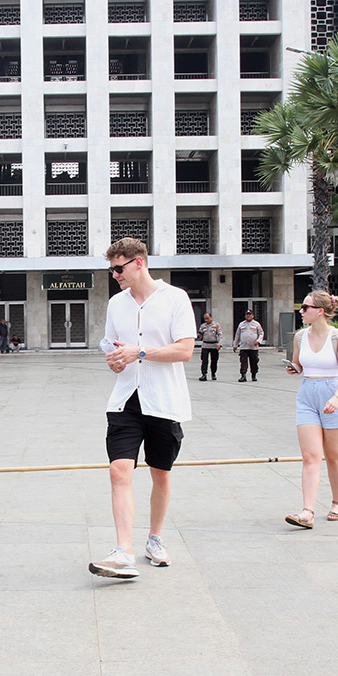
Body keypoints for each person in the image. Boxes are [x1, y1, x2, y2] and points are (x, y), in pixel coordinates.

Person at [90, 238, 195, 579]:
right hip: (124, 401)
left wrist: (141, 352)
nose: (115, 275)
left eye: (118, 269)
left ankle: (155, 538)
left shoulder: (175, 298)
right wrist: (117, 361)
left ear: (139, 263)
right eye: (111, 270)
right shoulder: (116, 304)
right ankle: (124, 552)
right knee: (119, 471)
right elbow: (115, 349)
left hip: (164, 400)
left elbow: (184, 351)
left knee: (160, 474)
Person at [283, 291, 338, 529]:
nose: (301, 311)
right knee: (310, 456)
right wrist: (294, 368)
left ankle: (336, 502)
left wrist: (337, 396)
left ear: (320, 311)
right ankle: (307, 511)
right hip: (307, 394)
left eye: (305, 307)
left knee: (333, 456)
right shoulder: (300, 337)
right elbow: (299, 364)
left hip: (332, 392)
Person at [233, 309, 264, 382]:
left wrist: (258, 341)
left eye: (250, 314)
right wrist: (235, 345)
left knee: (254, 361)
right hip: (244, 347)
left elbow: (261, 333)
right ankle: (243, 375)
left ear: (253, 316)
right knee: (243, 362)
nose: (248, 316)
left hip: (253, 347)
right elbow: (237, 335)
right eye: (247, 314)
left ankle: (254, 375)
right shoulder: (241, 324)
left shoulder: (256, 324)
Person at [197, 312, 223, 381]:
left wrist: (220, 344)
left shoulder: (216, 325)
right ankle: (204, 374)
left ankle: (213, 373)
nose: (206, 320)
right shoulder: (203, 326)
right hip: (205, 345)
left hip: (214, 345)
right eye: (205, 319)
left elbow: (220, 335)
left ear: (211, 318)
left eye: (207, 318)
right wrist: (199, 335)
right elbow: (200, 333)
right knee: (204, 360)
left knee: (214, 361)